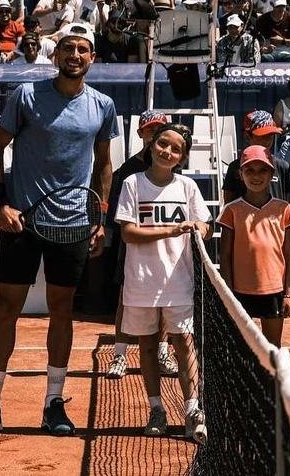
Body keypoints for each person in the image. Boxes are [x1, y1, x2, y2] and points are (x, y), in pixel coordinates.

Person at [0, 22, 117, 441]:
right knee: (6, 308)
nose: (75, 55)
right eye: (68, 48)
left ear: (92, 59)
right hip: (23, 221)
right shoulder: (26, 96)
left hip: (73, 224)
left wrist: (98, 219)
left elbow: (104, 164)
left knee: (62, 310)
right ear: (55, 55)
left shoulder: (102, 105)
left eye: (83, 49)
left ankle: (53, 402)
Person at [114, 123, 211, 440]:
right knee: (148, 346)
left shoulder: (187, 187)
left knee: (184, 345)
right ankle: (156, 409)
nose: (167, 152)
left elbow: (204, 225)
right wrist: (172, 230)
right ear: (151, 145)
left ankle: (192, 409)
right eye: (163, 144)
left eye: (176, 149)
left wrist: (198, 227)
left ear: (181, 157)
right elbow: (128, 233)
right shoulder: (132, 183)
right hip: (141, 282)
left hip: (178, 282)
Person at [105, 111, 179, 380]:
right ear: (140, 134)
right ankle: (120, 355)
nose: (154, 136)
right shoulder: (125, 172)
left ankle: (162, 353)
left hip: (165, 250)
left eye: (160, 130)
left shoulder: (173, 168)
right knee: (127, 301)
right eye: (150, 131)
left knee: (162, 302)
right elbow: (119, 217)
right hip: (134, 249)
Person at [218, 145, 290, 347]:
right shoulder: (231, 210)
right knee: (242, 349)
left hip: (275, 290)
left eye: (262, 170)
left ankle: (271, 380)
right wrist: (229, 294)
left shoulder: (284, 209)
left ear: (272, 173)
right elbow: (225, 255)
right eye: (249, 170)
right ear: (240, 174)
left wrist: (288, 293)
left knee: (272, 349)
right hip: (240, 291)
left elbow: (289, 252)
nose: (256, 176)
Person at [223, 110, 290, 204]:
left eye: (270, 136)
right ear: (247, 137)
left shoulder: (282, 166)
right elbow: (228, 204)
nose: (267, 141)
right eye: (263, 136)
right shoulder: (234, 167)